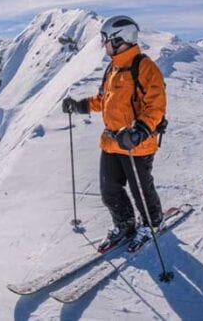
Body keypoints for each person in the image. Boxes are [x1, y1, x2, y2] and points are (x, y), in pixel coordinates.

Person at [62, 15, 167, 253]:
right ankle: (125, 224)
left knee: (141, 190)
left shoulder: (145, 67)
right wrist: (79, 106)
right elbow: (103, 100)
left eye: (105, 39)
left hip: (135, 144)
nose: (103, 44)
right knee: (109, 190)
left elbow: (156, 107)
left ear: (120, 39)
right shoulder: (113, 68)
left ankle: (153, 223)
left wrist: (138, 131)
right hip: (111, 142)